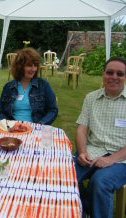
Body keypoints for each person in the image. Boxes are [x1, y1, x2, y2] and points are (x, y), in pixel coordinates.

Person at [74, 57, 126, 218]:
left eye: (120, 73)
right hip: (92, 151)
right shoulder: (91, 98)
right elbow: (82, 129)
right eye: (109, 72)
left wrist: (111, 160)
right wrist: (82, 152)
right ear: (103, 74)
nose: (114, 77)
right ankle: (84, 210)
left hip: (122, 159)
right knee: (65, 174)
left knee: (100, 181)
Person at [0, 47, 58, 125]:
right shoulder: (8, 87)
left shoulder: (44, 85)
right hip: (13, 130)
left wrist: (40, 124)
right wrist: (8, 125)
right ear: (20, 67)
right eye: (29, 65)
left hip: (36, 130)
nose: (33, 69)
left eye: (35, 65)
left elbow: (53, 110)